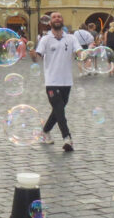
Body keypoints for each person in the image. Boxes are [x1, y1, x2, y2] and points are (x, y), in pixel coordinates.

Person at [30, 12, 82, 152]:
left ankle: (45, 132)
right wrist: (33, 55)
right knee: (59, 109)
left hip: (67, 81)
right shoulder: (45, 39)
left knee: (58, 110)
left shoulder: (71, 38)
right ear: (50, 22)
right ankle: (67, 138)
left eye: (59, 17)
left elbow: (79, 52)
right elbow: (37, 58)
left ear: (62, 20)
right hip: (52, 81)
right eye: (54, 17)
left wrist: (86, 55)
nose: (57, 19)